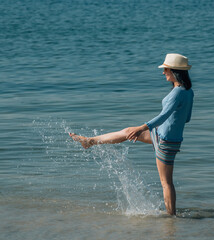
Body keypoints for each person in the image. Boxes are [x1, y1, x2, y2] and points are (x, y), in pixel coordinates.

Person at [69, 53, 194, 216]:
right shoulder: (188, 91)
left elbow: (164, 116)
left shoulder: (178, 92)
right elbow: (187, 118)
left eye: (166, 69)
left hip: (165, 140)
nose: (163, 72)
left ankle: (171, 217)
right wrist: (166, 127)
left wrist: (143, 127)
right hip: (162, 135)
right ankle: (89, 141)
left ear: (174, 71)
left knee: (166, 182)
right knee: (127, 131)